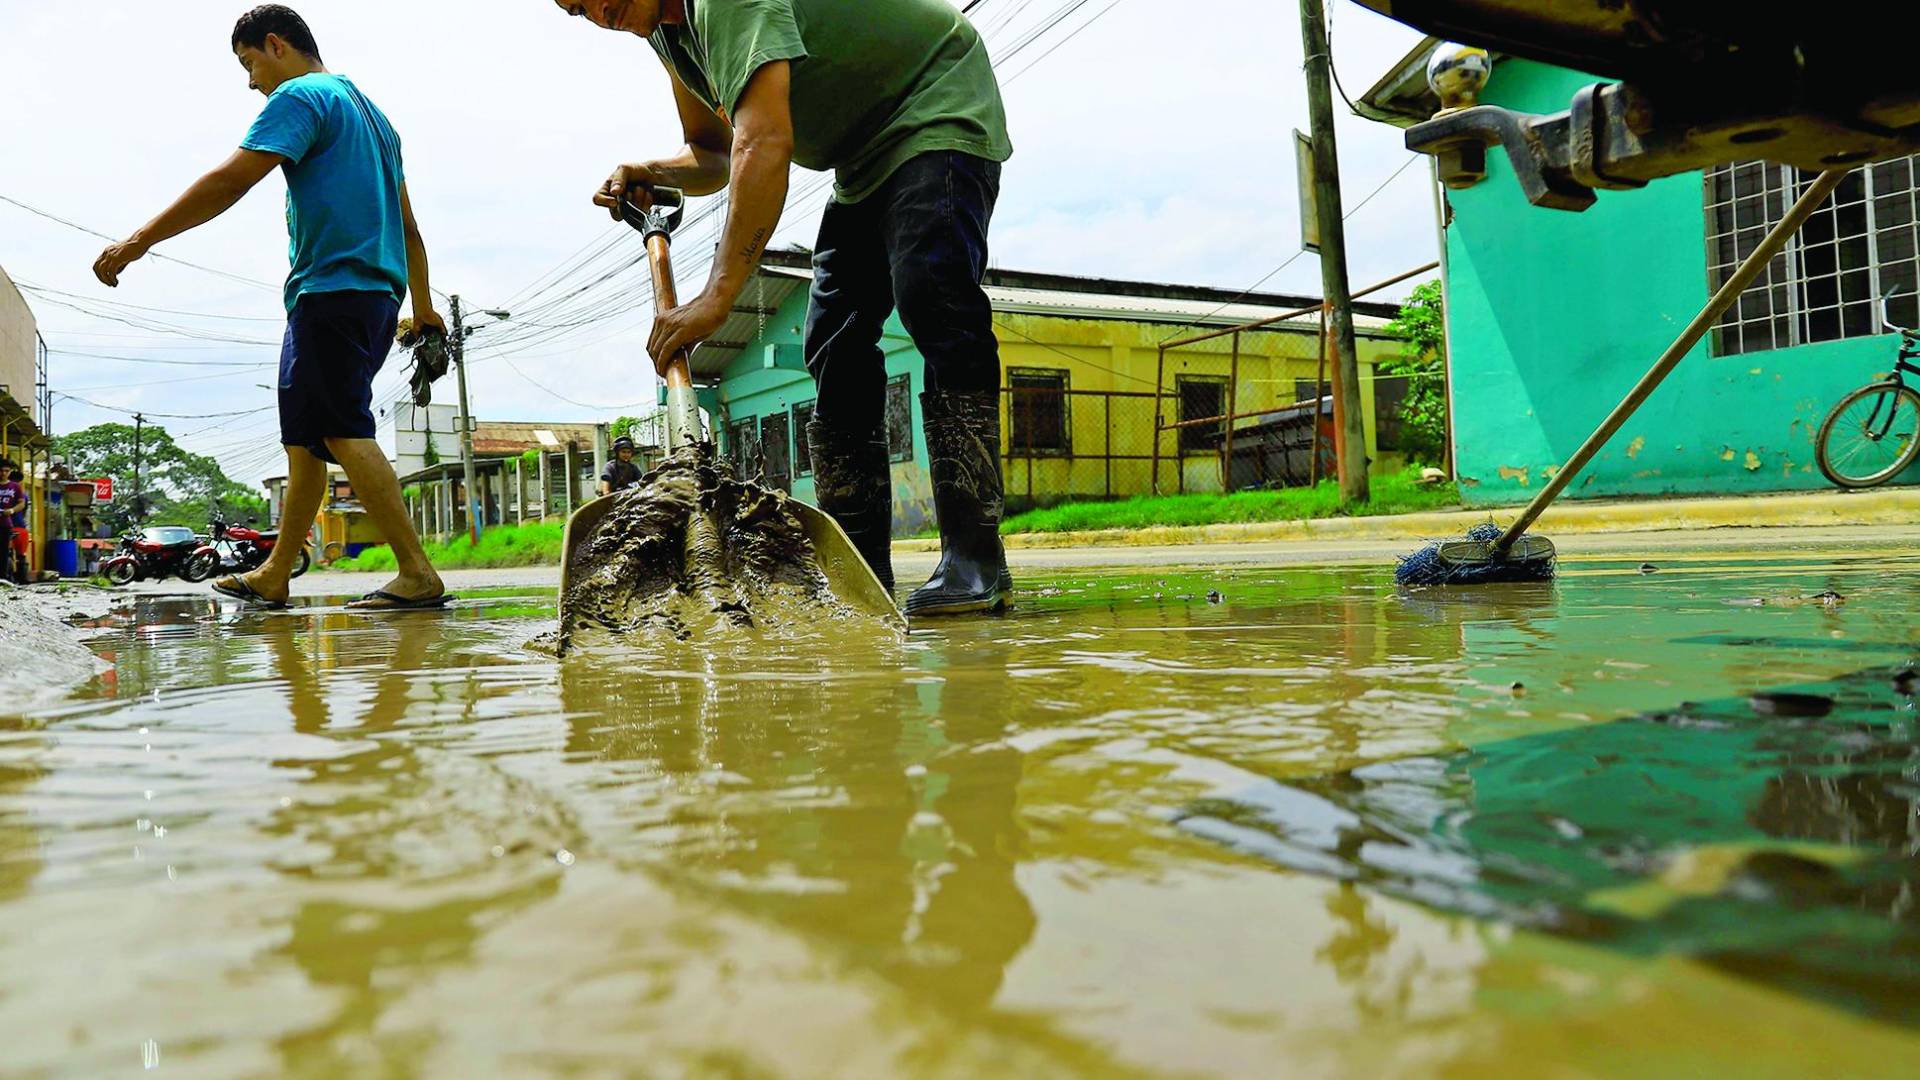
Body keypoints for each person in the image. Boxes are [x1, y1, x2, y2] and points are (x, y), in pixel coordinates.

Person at [553, 0, 1015, 616]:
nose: (598, 11)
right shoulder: (669, 36)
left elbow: (764, 140)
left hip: (936, 100)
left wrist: (718, 298)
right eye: (577, 9)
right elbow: (711, 155)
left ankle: (974, 559)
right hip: (864, 161)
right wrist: (649, 169)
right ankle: (859, 570)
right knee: (833, 338)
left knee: (932, 292)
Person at [93, 5, 449, 611]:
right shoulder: (376, 119)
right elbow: (410, 227)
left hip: (334, 290)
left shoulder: (303, 96)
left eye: (249, 62)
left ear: (276, 45)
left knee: (339, 425)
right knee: (305, 440)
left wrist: (138, 241)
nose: (251, 81)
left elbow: (229, 181)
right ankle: (276, 572)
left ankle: (417, 572)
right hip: (366, 295)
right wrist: (423, 306)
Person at [0, 467, 26, 584]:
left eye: (6, 471)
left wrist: (11, 511)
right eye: (2, 471)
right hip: (17, 525)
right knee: (18, 554)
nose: (4, 473)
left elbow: (22, 505)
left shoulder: (17, 489)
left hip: (10, 524)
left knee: (6, 551)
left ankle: (6, 577)